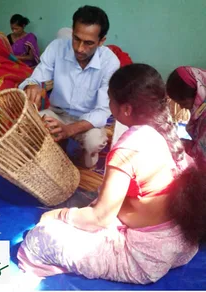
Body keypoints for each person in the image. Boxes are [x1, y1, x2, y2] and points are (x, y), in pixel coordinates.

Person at [17, 63, 202, 284]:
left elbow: (100, 218)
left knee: (39, 238)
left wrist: (59, 215)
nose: (109, 104)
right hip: (179, 240)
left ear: (125, 109)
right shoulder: (165, 130)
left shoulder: (128, 149)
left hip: (146, 255)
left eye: (110, 100)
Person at [20, 6, 120, 168]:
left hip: (86, 120)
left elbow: (102, 111)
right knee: (29, 127)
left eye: (88, 43)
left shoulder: (110, 62)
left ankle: (81, 156)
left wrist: (68, 130)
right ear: (72, 31)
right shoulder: (57, 48)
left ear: (101, 41)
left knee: (94, 143)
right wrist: (32, 85)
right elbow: (35, 79)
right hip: (57, 113)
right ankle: (59, 148)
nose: (80, 48)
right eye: (76, 38)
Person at [166, 66, 206, 165]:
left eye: (183, 103)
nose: (182, 107)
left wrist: (177, 144)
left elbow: (202, 155)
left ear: (197, 95)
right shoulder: (201, 112)